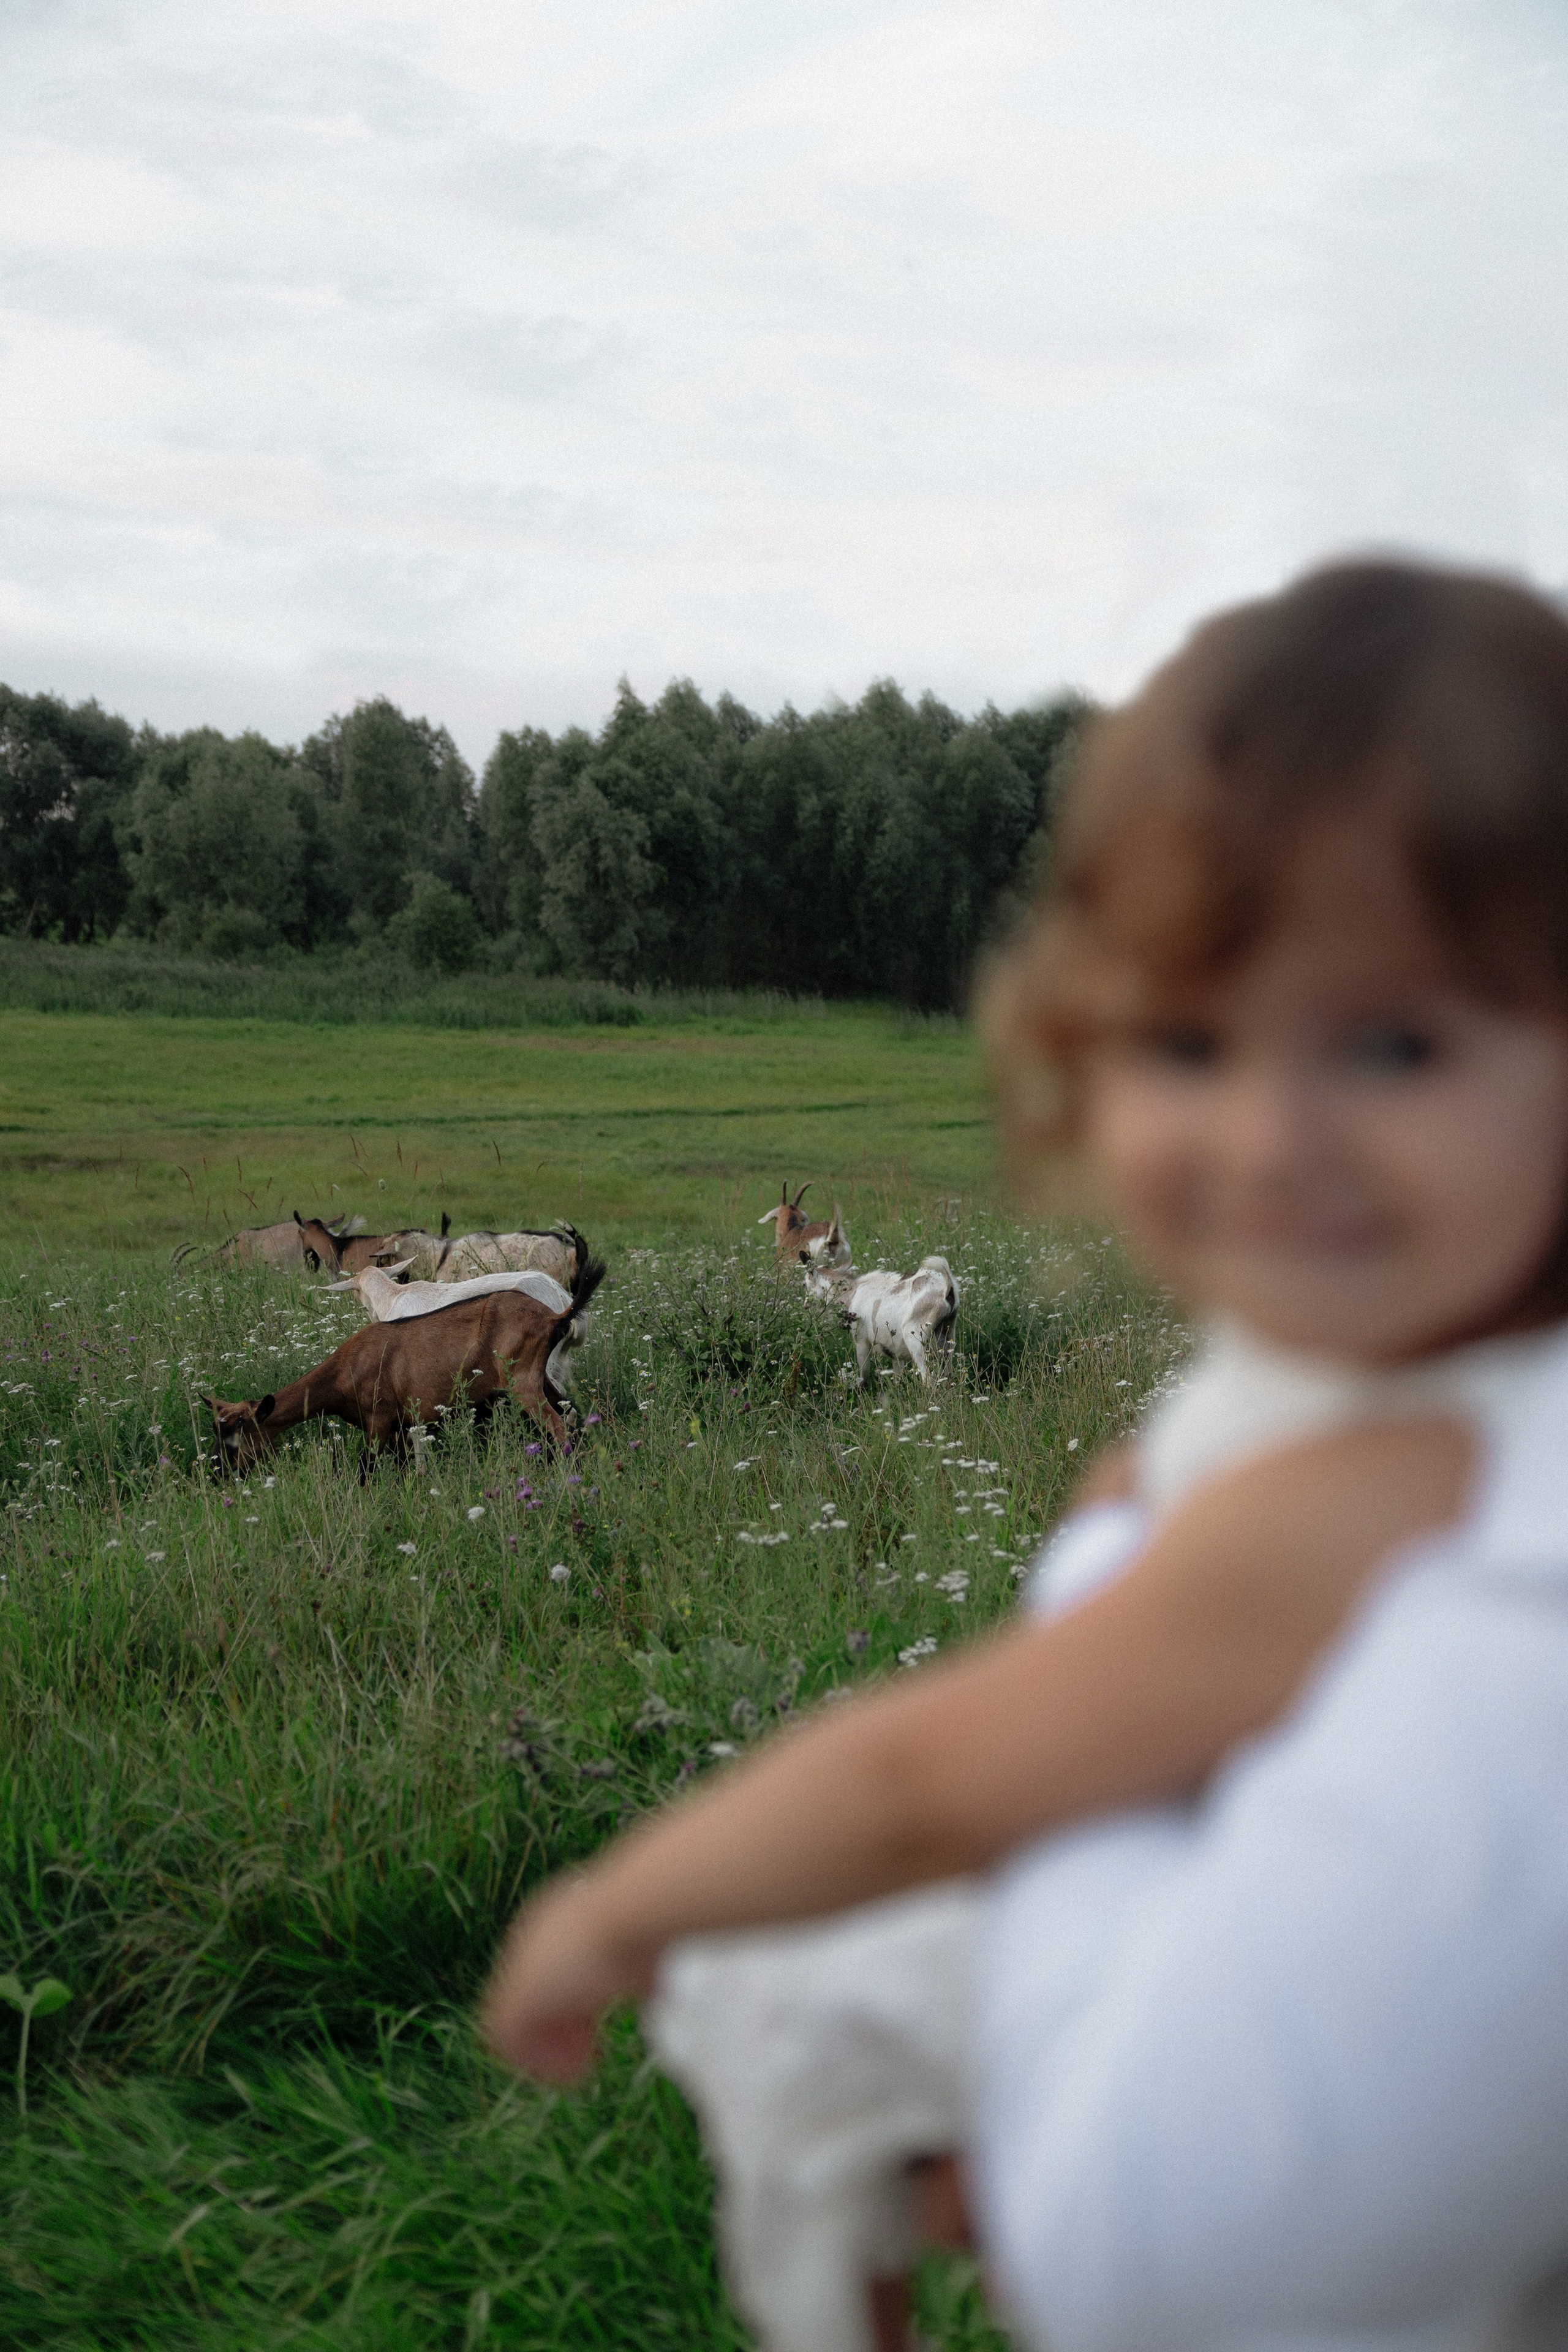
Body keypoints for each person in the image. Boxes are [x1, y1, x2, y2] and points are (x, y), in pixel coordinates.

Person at [481, 558, 1568, 2352]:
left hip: (1203, 2251)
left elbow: (931, 1783)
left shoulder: (1395, 1477)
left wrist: (619, 1903)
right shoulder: (1410, 1390)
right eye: (1191, 1040)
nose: (1272, 1133)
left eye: (1393, 1039)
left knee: (792, 1980)